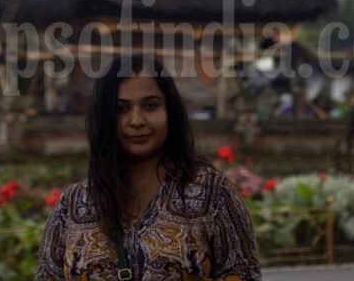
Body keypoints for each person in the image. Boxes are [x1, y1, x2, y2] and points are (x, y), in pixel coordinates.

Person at [35, 55, 261, 280]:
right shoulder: (72, 207)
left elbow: (244, 275)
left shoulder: (212, 195)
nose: (136, 120)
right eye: (121, 108)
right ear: (105, 117)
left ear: (170, 111)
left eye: (150, 106)